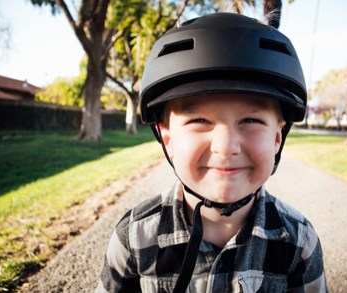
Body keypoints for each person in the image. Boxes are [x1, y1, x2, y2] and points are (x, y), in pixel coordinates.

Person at [96, 12, 327, 293]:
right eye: (199, 121)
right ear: (167, 137)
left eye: (251, 121)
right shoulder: (134, 238)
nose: (227, 147)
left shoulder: (298, 243)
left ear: (277, 138)